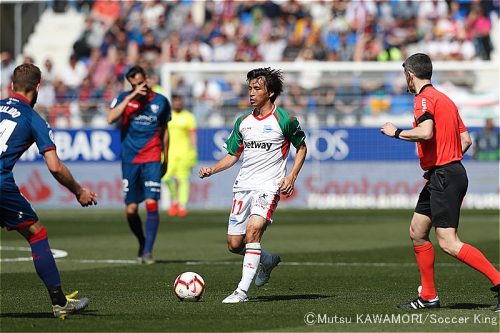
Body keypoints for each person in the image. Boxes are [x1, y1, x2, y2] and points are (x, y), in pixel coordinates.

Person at [380, 53, 499, 311]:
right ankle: (429, 296)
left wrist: (395, 132)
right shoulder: (446, 100)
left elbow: (426, 132)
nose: (406, 82)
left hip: (444, 175)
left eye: (405, 77)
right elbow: (465, 140)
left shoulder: (423, 99)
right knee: (417, 232)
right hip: (445, 173)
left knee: (448, 242)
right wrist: (446, 160)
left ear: (410, 75)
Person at [199, 67, 307, 303]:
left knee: (253, 232)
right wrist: (212, 169)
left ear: (270, 93)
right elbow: (232, 155)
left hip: (268, 187)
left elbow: (302, 148)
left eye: (256, 88)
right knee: (235, 244)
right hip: (243, 186)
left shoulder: (285, 120)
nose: (251, 93)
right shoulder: (243, 121)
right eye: (249, 88)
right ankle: (267, 261)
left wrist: (291, 177)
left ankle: (241, 291)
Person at [0, 64, 98, 318]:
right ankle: (59, 302)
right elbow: (54, 167)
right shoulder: (33, 118)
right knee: (36, 234)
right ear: (38, 88)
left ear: (12, 85)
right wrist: (78, 191)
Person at [107, 65, 171, 264]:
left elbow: (165, 131)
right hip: (130, 159)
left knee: (152, 203)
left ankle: (148, 252)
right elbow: (110, 118)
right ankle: (142, 241)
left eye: (141, 82)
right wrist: (130, 96)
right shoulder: (123, 99)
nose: (140, 87)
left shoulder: (161, 101)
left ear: (148, 79)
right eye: (134, 84)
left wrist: (165, 158)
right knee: (131, 210)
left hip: (151, 156)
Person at [161, 94, 197, 217]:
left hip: (184, 153)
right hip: (169, 153)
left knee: (183, 180)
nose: (177, 103)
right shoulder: (167, 115)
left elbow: (192, 135)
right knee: (165, 177)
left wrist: (193, 152)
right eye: (175, 101)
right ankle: (175, 200)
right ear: (172, 102)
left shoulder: (188, 117)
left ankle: (182, 205)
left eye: (179, 101)